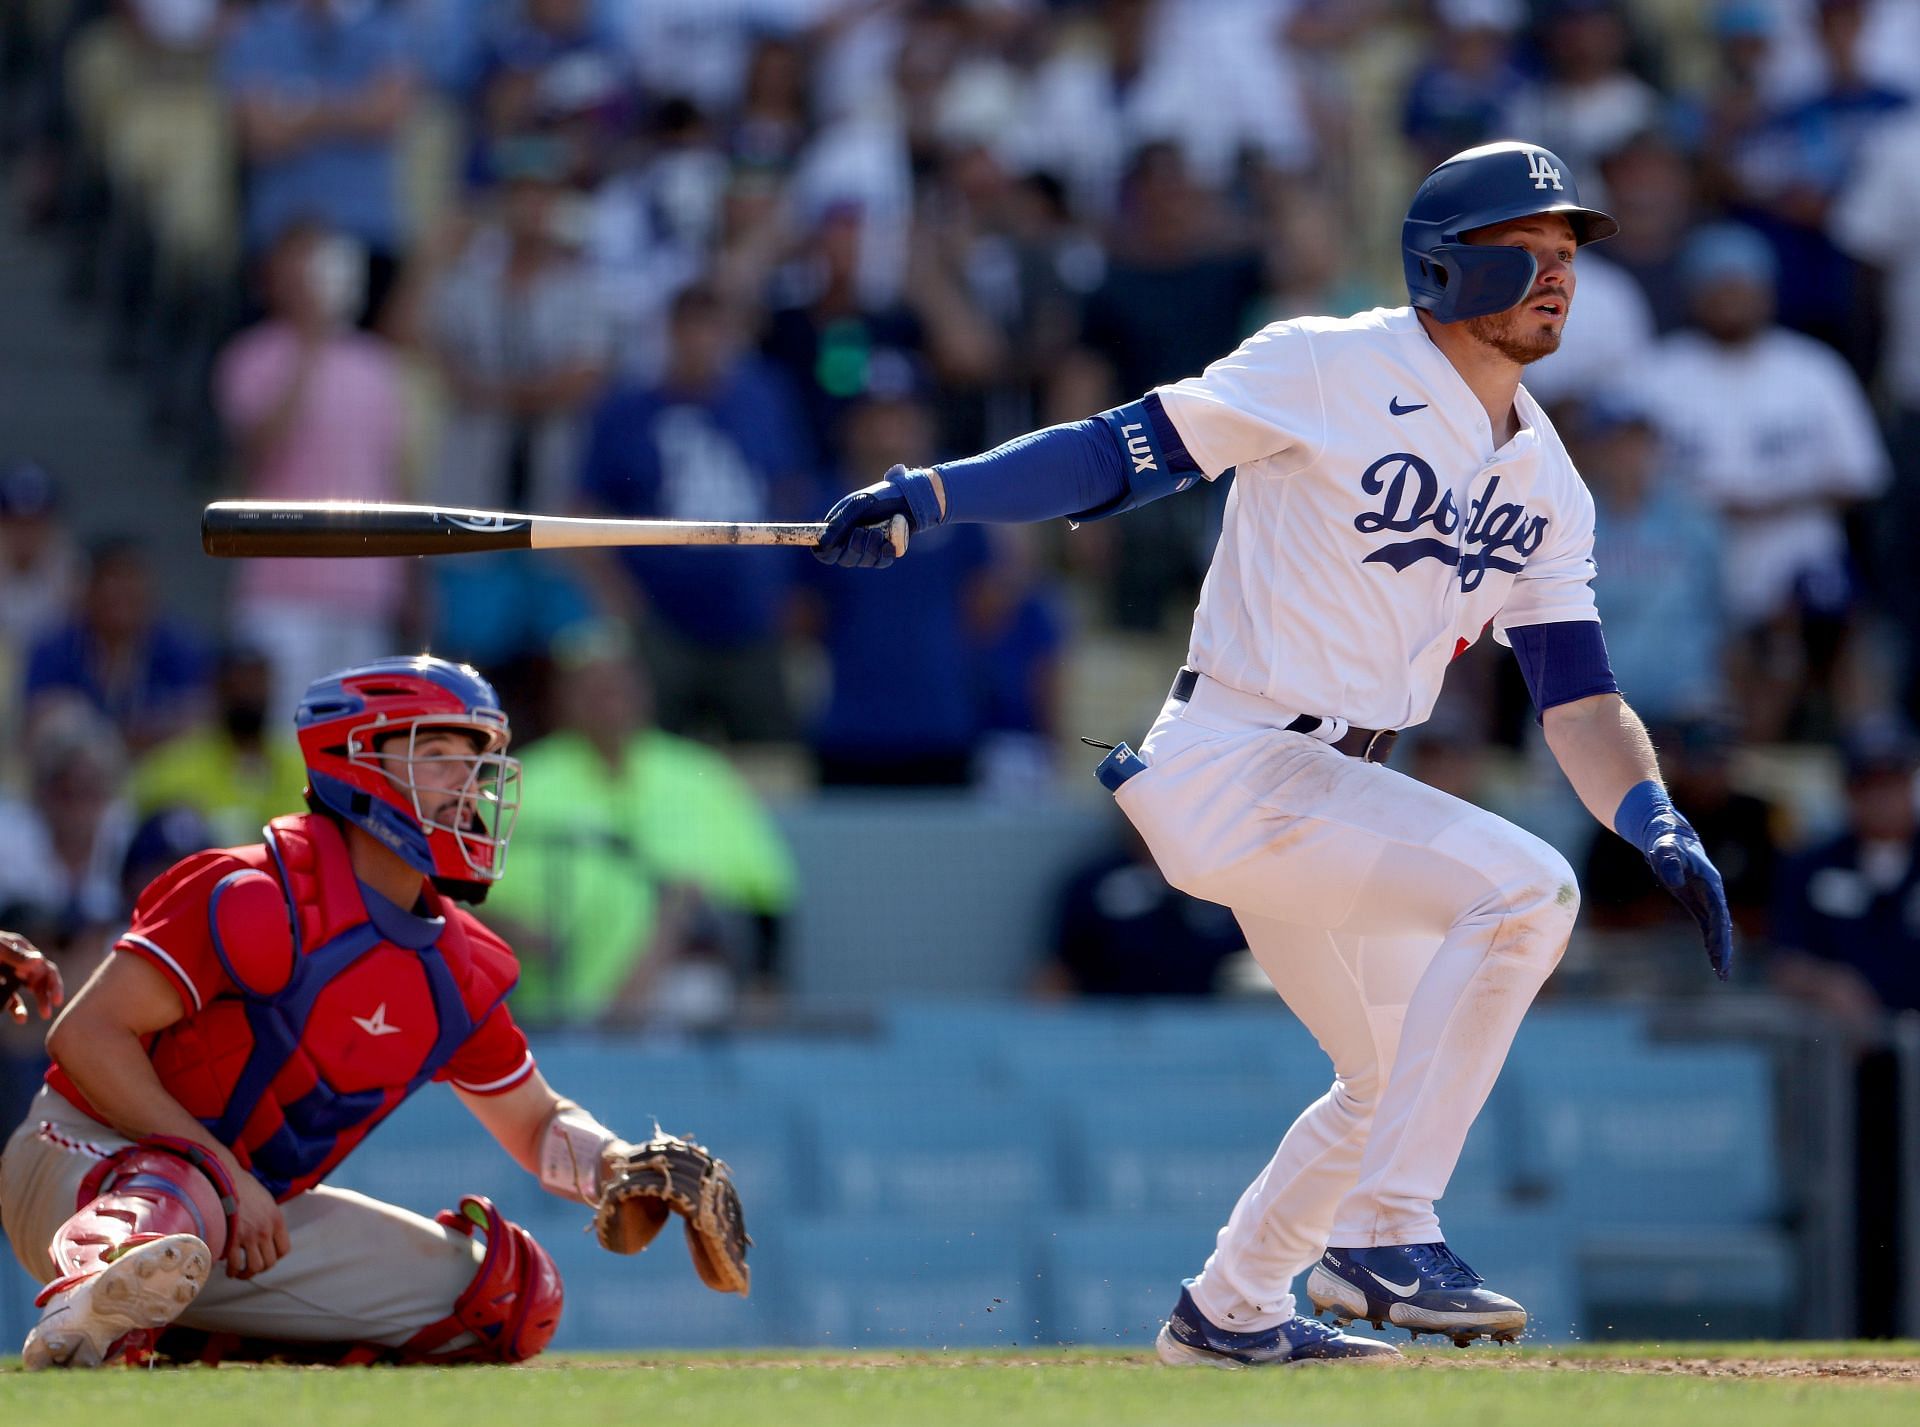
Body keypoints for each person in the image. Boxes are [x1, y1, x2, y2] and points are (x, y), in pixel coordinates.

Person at [813, 141, 1734, 1366]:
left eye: (1569, 253)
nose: (1559, 274)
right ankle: (1388, 1233)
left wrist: (1653, 810)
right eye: (1531, 249)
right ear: (1446, 264)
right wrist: (937, 493)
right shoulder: (1327, 363)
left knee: (1385, 1074)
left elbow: (1578, 694)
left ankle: (1230, 1308)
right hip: (1235, 756)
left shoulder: (1550, 477)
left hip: (1335, 785)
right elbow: (1115, 451)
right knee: (1528, 889)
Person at [0, 655, 747, 1370]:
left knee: (508, 1299)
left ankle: (182, 1325)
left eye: (476, 758)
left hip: (248, 1215)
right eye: (441, 754)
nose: (471, 783)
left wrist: (620, 1164)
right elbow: (85, 1036)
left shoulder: (462, 965)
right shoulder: (252, 890)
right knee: (180, 1195)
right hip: (78, 1162)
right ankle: (84, 1315)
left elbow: (536, 1122)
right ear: (357, 762)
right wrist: (221, 1171)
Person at [481, 624, 796, 1028]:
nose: (608, 698)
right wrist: (506, 932)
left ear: (643, 690)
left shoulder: (700, 774)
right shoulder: (516, 784)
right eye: (590, 686)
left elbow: (767, 892)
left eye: (619, 683)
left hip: (676, 1006)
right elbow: (457, 905)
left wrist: (766, 983)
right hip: (546, 1012)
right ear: (561, 697)